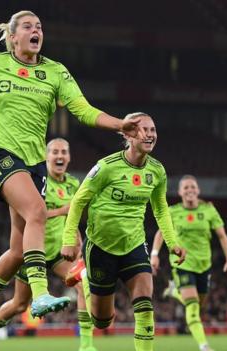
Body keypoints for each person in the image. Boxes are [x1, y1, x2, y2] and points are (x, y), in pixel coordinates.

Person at [0, 10, 144, 342]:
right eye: (28, 27)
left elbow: (83, 109)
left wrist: (119, 124)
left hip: (34, 166)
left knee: (18, 251)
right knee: (37, 211)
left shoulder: (55, 72)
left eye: (39, 27)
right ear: (12, 36)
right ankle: (39, 295)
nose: (36, 31)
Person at [61, 113, 186, 351]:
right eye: (144, 130)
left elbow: (161, 210)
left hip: (134, 246)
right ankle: (85, 276)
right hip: (100, 248)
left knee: (145, 306)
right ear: (128, 134)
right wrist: (69, 239)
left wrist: (173, 242)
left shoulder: (157, 171)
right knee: (102, 321)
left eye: (153, 130)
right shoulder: (106, 167)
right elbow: (78, 202)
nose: (150, 134)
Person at [0, 138, 96, 351]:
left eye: (64, 152)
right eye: (55, 152)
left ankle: (86, 345)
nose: (59, 156)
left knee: (84, 282)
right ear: (46, 156)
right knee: (20, 304)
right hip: (33, 252)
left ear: (69, 157)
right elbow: (32, 214)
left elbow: (71, 215)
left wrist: (75, 235)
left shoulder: (73, 184)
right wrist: (63, 210)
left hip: (60, 253)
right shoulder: (34, 180)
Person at [150, 175, 227, 351]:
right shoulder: (173, 211)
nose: (190, 190)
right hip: (182, 263)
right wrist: (155, 254)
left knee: (199, 304)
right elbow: (160, 233)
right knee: (192, 303)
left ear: (198, 190)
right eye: (186, 187)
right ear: (180, 191)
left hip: (204, 264)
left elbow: (222, 236)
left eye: (192, 187)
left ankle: (175, 291)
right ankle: (204, 345)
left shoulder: (209, 210)